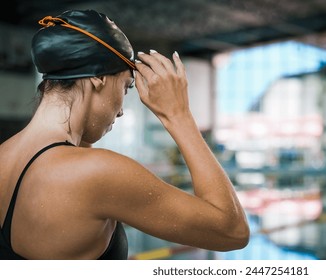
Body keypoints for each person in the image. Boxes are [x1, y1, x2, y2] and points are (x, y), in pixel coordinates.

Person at [0, 9, 249, 260]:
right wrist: (179, 115)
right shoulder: (98, 172)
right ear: (97, 78)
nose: (121, 111)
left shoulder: (4, 156)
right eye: (126, 87)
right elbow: (233, 231)